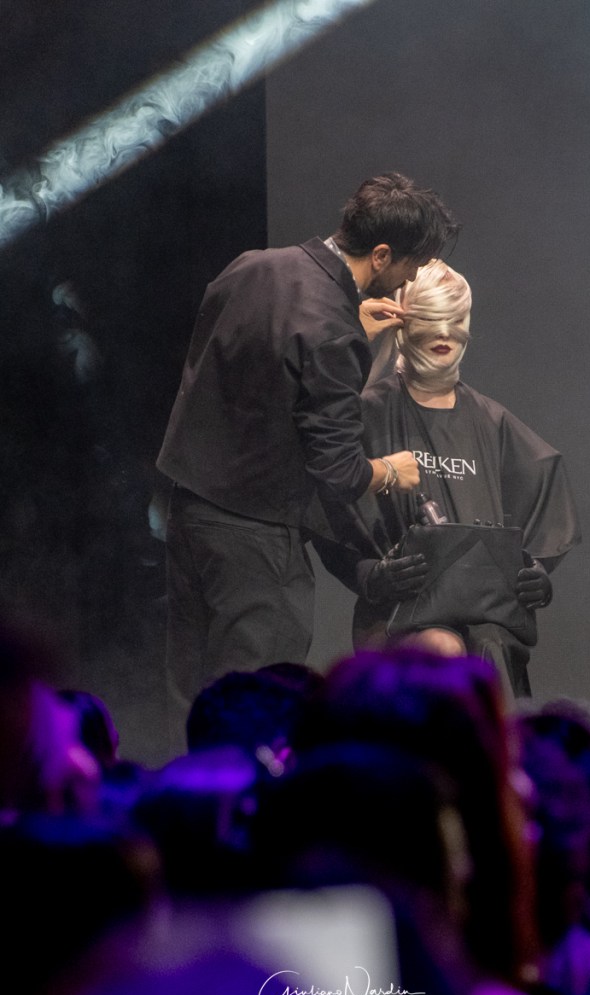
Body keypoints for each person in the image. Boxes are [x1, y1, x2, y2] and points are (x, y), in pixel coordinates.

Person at [156, 173, 458, 753]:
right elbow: (339, 472)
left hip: (189, 513)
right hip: (256, 534)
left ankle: (187, 800)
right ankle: (244, 804)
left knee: (190, 693)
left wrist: (345, 327)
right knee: (255, 698)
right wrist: (391, 470)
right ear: (381, 254)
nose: (409, 283)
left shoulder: (251, 267)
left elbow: (246, 364)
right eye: (410, 267)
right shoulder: (331, 332)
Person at [316, 259, 580, 697]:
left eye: (453, 322)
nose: (443, 335)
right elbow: (327, 504)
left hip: (485, 624)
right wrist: (369, 575)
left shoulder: (494, 424)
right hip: (399, 618)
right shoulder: (367, 415)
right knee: (444, 652)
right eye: (430, 320)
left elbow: (546, 494)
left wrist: (533, 569)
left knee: (488, 653)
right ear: (404, 322)